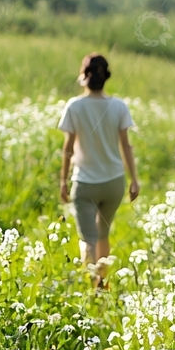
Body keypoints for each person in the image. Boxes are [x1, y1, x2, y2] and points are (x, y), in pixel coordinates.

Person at [59, 52, 140, 284]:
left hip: (85, 183)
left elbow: (68, 148)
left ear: (84, 76)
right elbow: (126, 145)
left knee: (88, 238)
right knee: (102, 233)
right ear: (107, 77)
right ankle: (102, 283)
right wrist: (134, 179)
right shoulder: (119, 106)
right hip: (113, 182)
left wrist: (63, 180)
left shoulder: (74, 106)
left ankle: (93, 283)